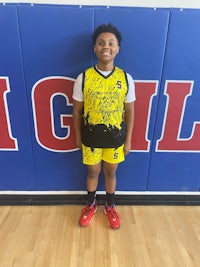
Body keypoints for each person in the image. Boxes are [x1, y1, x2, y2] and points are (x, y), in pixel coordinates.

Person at [72, 23, 135, 230]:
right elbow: (77, 112)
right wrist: (77, 138)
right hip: (90, 138)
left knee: (110, 172)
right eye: (101, 43)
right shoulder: (84, 78)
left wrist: (128, 140)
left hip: (115, 138)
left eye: (111, 43)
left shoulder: (125, 78)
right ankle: (90, 205)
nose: (105, 46)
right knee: (92, 171)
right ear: (94, 48)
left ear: (117, 49)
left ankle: (110, 206)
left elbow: (131, 112)